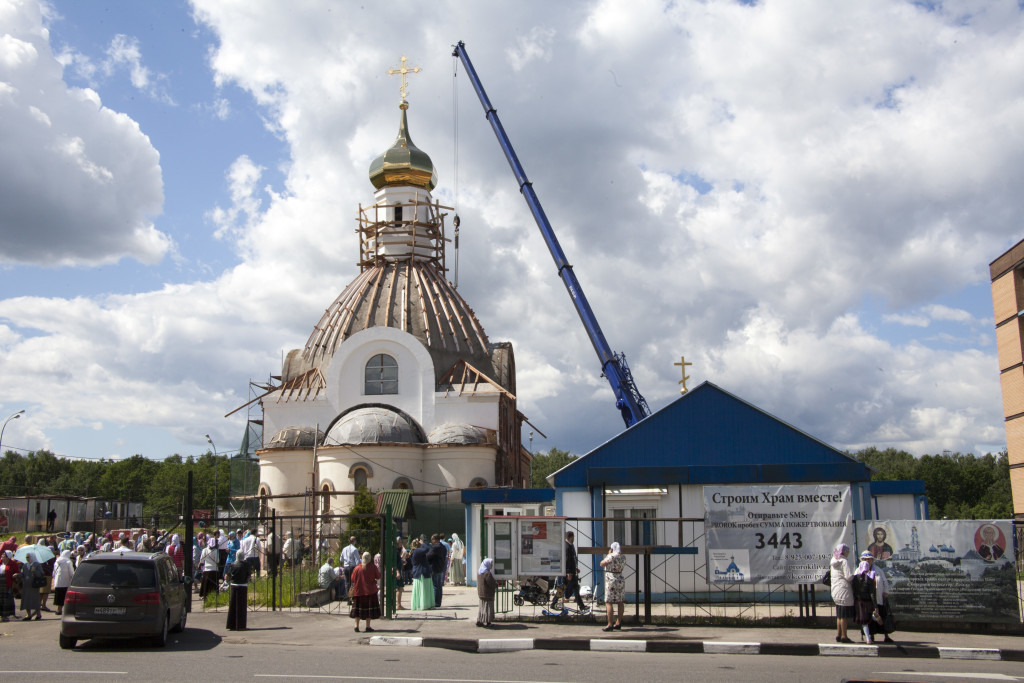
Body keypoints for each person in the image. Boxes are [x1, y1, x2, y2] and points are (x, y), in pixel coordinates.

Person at [555, 531, 587, 612]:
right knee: (572, 589)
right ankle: (582, 606)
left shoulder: (570, 546)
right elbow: (567, 560)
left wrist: (575, 568)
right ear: (570, 537)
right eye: (573, 537)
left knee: (565, 588)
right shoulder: (567, 546)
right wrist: (569, 571)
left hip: (571, 571)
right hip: (568, 572)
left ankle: (553, 602)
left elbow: (572, 559)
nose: (574, 539)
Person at [349, 551, 381, 633]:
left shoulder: (357, 568)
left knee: (358, 610)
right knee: (369, 610)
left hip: (358, 592)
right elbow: (378, 576)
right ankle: (368, 626)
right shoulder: (373, 567)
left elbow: (352, 579)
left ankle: (356, 626)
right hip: (370, 592)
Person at [830, 543, 854, 643]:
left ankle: (838, 634)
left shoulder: (833, 561)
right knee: (843, 615)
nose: (848, 552)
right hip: (843, 590)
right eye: (847, 550)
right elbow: (848, 576)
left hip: (835, 589)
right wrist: (855, 576)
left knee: (839, 614)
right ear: (843, 552)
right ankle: (844, 636)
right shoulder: (844, 561)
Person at [852, 551, 878, 643]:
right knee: (869, 619)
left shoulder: (855, 578)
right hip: (868, 602)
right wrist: (875, 606)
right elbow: (872, 594)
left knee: (863, 621)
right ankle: (869, 637)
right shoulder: (870, 580)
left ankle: (867, 638)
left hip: (859, 602)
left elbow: (853, 590)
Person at [599, 542, 626, 631]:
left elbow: (602, 564)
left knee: (608, 602)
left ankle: (610, 624)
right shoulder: (623, 557)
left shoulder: (611, 556)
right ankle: (618, 622)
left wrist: (608, 554)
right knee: (620, 601)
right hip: (620, 579)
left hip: (611, 580)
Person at [225, 548, 251, 631]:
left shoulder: (232, 565)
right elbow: (249, 576)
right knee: (241, 607)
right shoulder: (246, 565)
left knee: (233, 605)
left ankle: (231, 625)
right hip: (243, 586)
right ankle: (241, 625)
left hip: (234, 585)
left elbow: (227, 576)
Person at [409, 539, 434, 610]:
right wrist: (423, 543)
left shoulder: (414, 552)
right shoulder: (417, 551)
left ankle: (420, 604)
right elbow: (427, 549)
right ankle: (425, 605)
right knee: (424, 590)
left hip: (418, 573)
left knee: (420, 590)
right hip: (422, 573)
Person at [19, 551, 44, 621]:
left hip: (34, 585)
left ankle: (38, 614)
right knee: (26, 599)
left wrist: (34, 571)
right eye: (26, 557)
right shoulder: (25, 565)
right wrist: (17, 575)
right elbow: (22, 574)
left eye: (28, 557)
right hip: (26, 585)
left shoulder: (37, 565)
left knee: (35, 599)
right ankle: (28, 614)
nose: (27, 559)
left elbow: (40, 574)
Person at [51, 549, 74, 616]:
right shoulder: (68, 562)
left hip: (58, 582)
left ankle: (58, 609)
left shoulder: (57, 561)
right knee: (65, 596)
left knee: (58, 596)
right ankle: (64, 610)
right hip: (66, 582)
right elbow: (71, 573)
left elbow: (54, 572)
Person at [426, 534, 447, 608]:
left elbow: (428, 556)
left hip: (434, 567)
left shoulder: (434, 547)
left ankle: (435, 602)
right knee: (439, 586)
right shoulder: (443, 547)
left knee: (434, 586)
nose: (431, 542)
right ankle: (438, 602)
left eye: (432, 540)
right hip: (441, 567)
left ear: (435, 539)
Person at [475, 558, 497, 627]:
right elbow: (491, 583)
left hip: (481, 593)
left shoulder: (479, 572)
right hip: (487, 594)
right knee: (488, 608)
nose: (492, 565)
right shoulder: (487, 573)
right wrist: (496, 585)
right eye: (491, 564)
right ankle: (488, 622)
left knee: (482, 608)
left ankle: (480, 620)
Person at [1, 550, 19, 621]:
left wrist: (16, 575)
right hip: (0, 584)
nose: (2, 556)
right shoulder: (0, 563)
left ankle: (5, 616)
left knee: (6, 600)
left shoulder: (13, 564)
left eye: (3, 555)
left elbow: (17, 572)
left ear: (7, 557)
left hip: (7, 584)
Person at [395, 537, 408, 609]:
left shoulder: (397, 551)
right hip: (397, 571)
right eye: (400, 542)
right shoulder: (396, 551)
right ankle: (398, 605)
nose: (401, 543)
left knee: (398, 587)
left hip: (398, 570)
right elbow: (394, 563)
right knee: (399, 587)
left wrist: (402, 561)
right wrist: (397, 572)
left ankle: (397, 604)